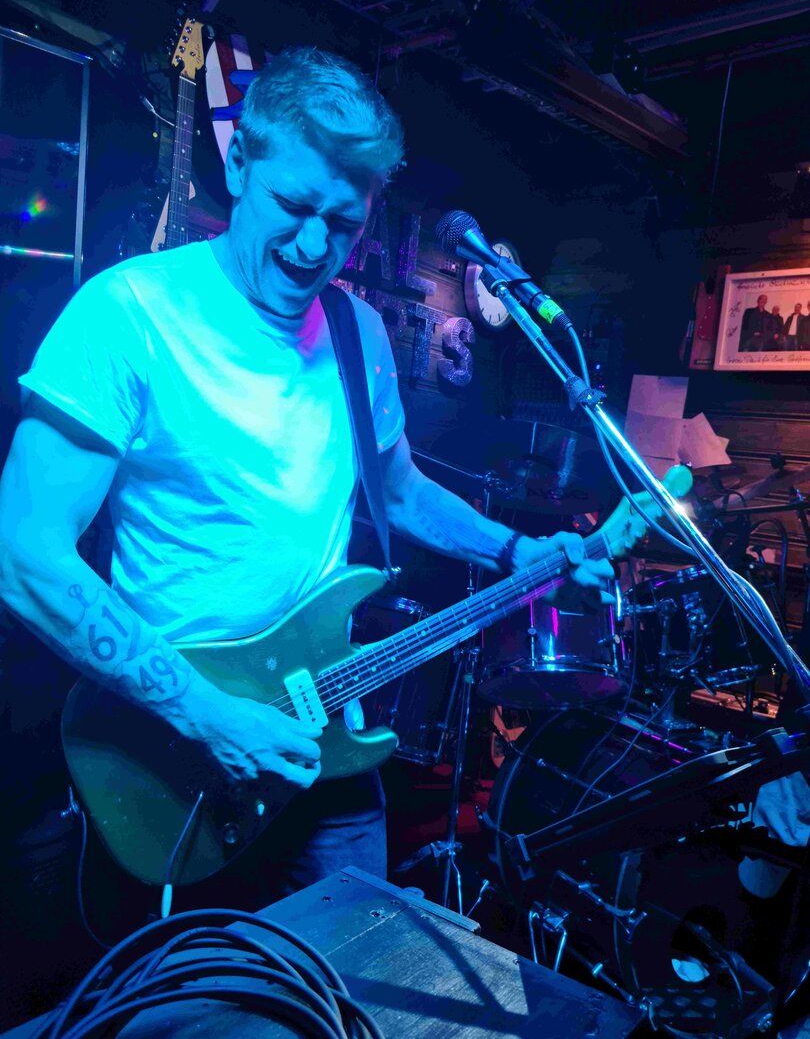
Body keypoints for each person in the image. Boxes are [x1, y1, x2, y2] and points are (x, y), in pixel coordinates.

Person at [0, 47, 613, 919]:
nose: (315, 247)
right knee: (202, 986)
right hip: (175, 747)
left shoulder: (359, 333)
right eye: (292, 207)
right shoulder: (128, 313)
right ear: (239, 166)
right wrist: (210, 716)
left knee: (348, 966)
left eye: (344, 222)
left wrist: (519, 548)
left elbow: (398, 492)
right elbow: (23, 553)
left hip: (326, 734)